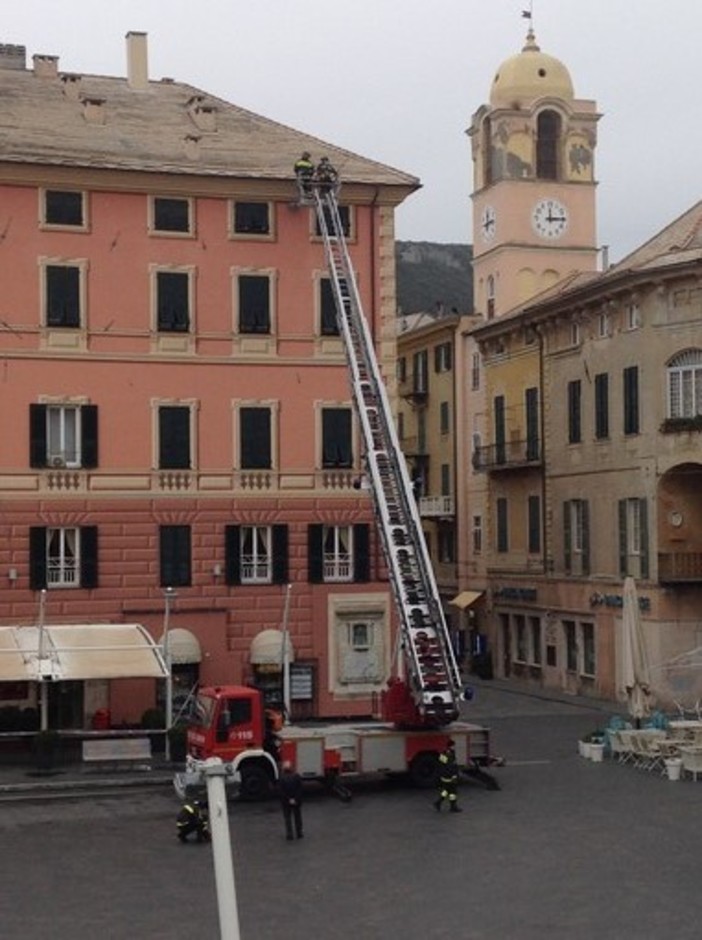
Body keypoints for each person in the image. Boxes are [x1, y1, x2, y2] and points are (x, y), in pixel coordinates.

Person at [433, 739, 462, 813]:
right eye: (454, 746)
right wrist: (454, 776)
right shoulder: (450, 755)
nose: (455, 747)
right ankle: (452, 807)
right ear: (451, 746)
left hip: (444, 777)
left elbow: (441, 765)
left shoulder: (444, 753)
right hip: (449, 777)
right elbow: (451, 767)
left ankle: (439, 803)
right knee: (453, 792)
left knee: (447, 791)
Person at [278, 760, 304, 840]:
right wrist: (295, 799)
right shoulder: (297, 776)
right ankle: (299, 833)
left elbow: (281, 792)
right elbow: (300, 789)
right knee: (297, 817)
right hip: (296, 801)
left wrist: (288, 799)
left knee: (288, 818)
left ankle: (289, 834)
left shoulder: (282, 778)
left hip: (286, 802)